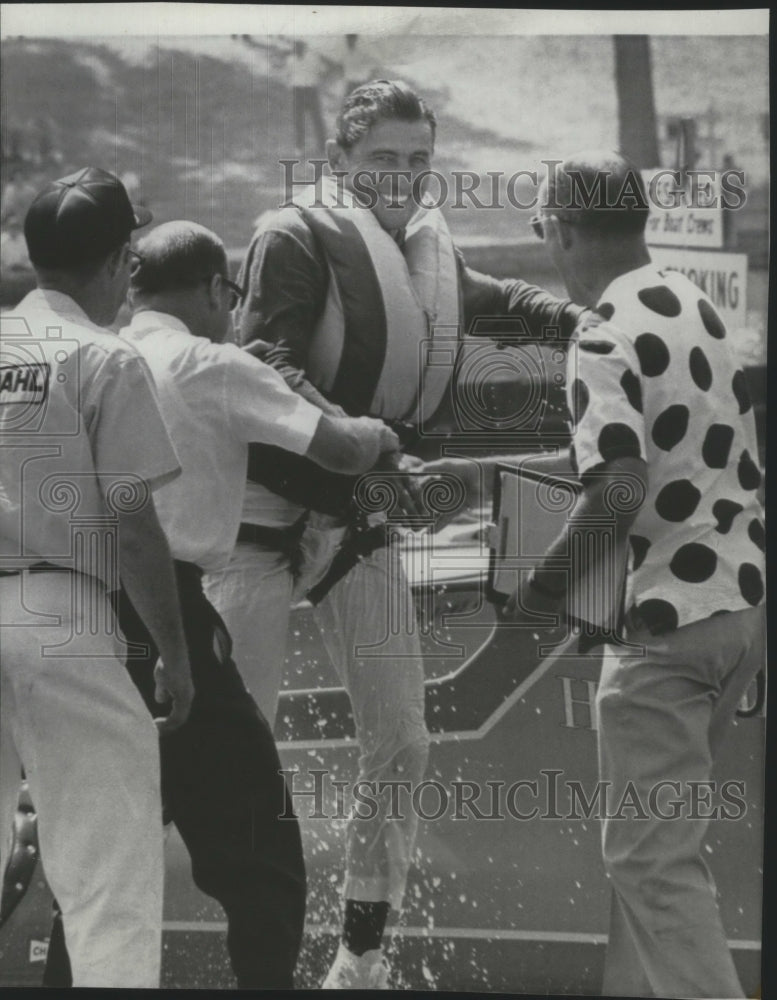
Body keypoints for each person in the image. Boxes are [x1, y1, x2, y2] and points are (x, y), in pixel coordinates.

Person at [205, 79, 593, 988]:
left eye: (419, 161)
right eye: (383, 160)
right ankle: (237, 955)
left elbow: (491, 301)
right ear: (339, 161)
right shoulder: (293, 238)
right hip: (259, 530)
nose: (404, 179)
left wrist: (583, 323)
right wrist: (364, 455)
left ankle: (361, 954)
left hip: (356, 529)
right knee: (235, 756)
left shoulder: (419, 248)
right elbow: (264, 365)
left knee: (403, 740)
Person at [38, 219, 399, 990]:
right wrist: (381, 435)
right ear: (213, 290)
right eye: (230, 296)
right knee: (264, 859)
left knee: (104, 859)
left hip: (69, 611)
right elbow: (336, 448)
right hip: (168, 610)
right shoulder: (214, 363)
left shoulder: (88, 356)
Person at [505, 151, 765, 998]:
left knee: (649, 864)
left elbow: (616, 486)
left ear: (565, 229)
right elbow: (660, 459)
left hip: (664, 630)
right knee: (653, 853)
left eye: (544, 227)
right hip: (734, 610)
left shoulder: (599, 333)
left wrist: (538, 593)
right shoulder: (693, 303)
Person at [0, 166, 193, 987]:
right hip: (57, 613)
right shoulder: (105, 357)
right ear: (119, 262)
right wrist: (173, 655)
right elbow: (133, 524)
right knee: (109, 876)